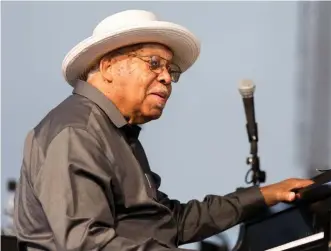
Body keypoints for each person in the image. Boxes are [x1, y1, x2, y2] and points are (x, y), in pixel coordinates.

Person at [14, 10, 314, 251]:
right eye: (154, 64)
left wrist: (262, 195)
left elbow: (167, 223)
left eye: (170, 71)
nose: (166, 79)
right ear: (107, 67)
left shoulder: (113, 132)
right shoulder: (76, 132)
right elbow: (86, 243)